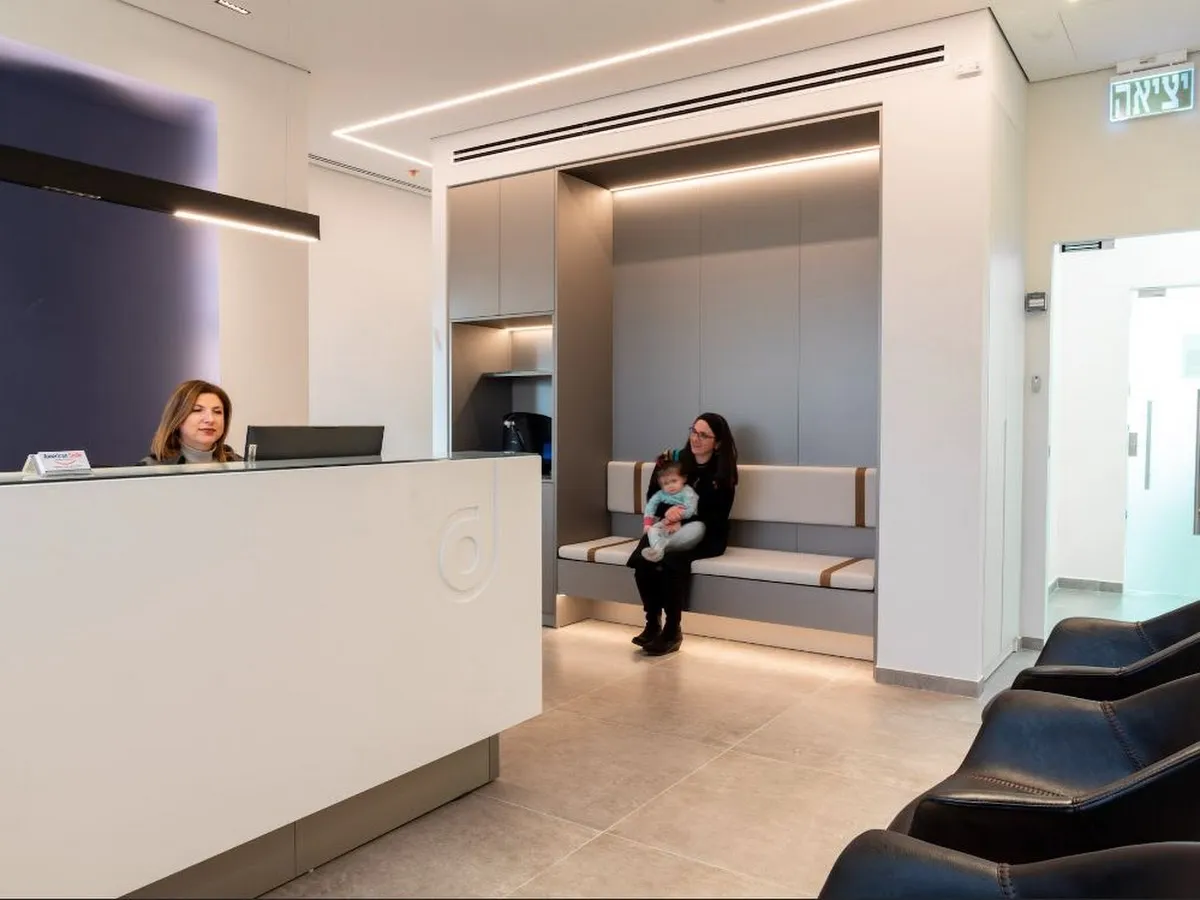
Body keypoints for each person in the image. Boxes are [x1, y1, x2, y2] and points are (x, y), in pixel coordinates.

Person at [626, 412, 739, 656]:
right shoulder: (674, 461)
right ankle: (652, 624)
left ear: (717, 443)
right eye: (694, 431)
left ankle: (672, 631)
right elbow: (654, 497)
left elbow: (717, 515)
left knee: (671, 559)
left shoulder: (723, 473)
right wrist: (668, 513)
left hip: (707, 533)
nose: (695, 438)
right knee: (644, 558)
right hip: (669, 526)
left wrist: (682, 519)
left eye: (704, 435)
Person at [140, 379, 242, 465]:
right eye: (197, 410)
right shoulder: (150, 469)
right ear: (177, 418)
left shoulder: (240, 465)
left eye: (217, 412)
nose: (210, 419)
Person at [640, 459, 703, 563]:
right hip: (666, 524)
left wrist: (679, 515)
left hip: (684, 524)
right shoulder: (661, 494)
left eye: (674, 481)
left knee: (698, 527)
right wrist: (647, 523)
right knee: (652, 530)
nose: (670, 486)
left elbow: (692, 508)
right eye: (665, 483)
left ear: (683, 478)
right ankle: (657, 550)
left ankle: (661, 548)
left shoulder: (687, 492)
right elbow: (650, 506)